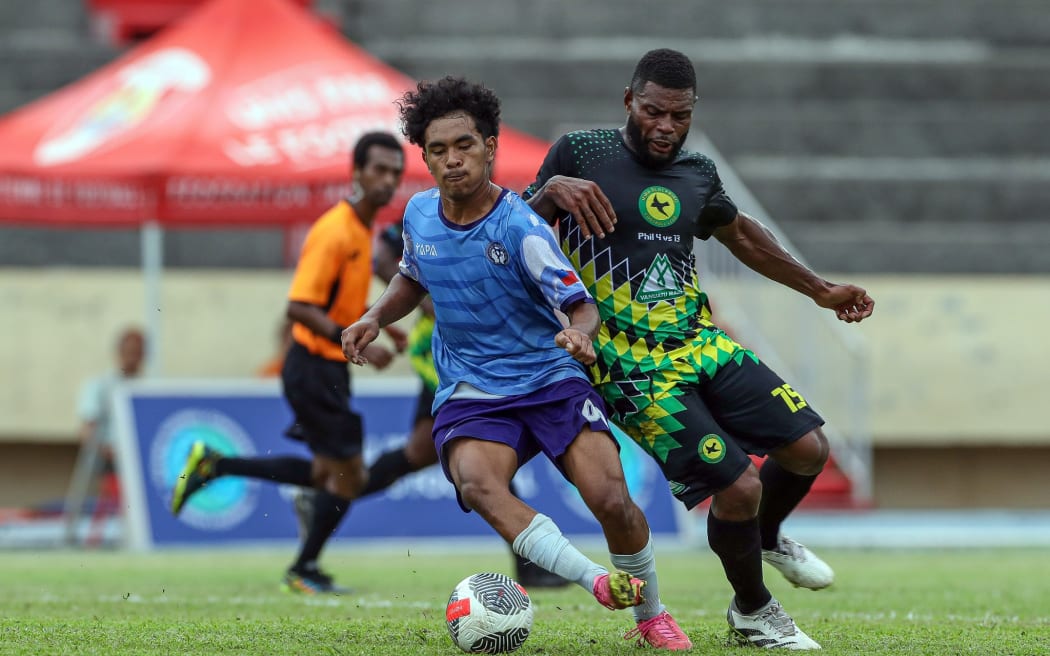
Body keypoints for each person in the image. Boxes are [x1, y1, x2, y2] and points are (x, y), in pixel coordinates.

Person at [523, 48, 875, 650]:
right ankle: (753, 611)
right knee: (739, 487)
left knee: (808, 449)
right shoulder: (580, 156)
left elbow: (740, 236)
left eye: (679, 117)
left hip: (700, 342)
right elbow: (518, 236)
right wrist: (549, 194)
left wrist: (819, 289)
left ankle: (764, 538)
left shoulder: (698, 172)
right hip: (629, 366)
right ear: (628, 101)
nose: (665, 127)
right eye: (654, 112)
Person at [341, 75, 691, 651]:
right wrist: (377, 316)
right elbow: (412, 273)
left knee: (611, 501)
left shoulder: (520, 226)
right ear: (424, 156)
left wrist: (578, 338)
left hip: (549, 378)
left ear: (490, 148)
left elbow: (581, 307)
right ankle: (594, 579)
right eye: (438, 150)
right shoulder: (420, 214)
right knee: (477, 484)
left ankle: (650, 614)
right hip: (473, 387)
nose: (452, 161)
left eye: (465, 146)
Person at [169, 131, 405, 594]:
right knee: (349, 476)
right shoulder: (335, 230)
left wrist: (381, 324)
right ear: (356, 172)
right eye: (378, 169)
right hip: (313, 367)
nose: (387, 179)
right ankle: (303, 568)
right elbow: (299, 306)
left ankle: (215, 466)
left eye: (395, 172)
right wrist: (355, 338)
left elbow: (337, 300)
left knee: (326, 473)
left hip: (325, 368)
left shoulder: (361, 229)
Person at [345, 222, 568, 588]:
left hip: (473, 355)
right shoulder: (427, 215)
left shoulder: (499, 217)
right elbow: (383, 259)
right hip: (449, 358)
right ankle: (530, 564)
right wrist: (431, 301)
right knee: (485, 458)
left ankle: (330, 496)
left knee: (426, 455)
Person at [65, 326, 146, 545]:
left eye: (138, 353)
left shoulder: (146, 388)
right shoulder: (100, 387)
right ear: (118, 352)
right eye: (129, 351)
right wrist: (106, 450)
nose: (133, 358)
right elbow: (87, 429)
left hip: (140, 457)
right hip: (109, 457)